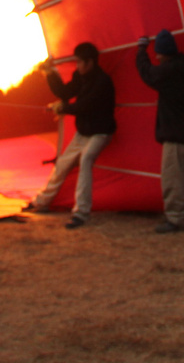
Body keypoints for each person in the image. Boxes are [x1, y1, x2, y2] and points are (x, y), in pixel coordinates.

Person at [25, 42, 116, 229]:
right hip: (84, 132)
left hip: (100, 132)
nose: (77, 66)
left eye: (80, 62)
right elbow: (65, 92)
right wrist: (50, 73)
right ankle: (41, 202)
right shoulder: (80, 76)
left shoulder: (102, 82)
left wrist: (63, 107)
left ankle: (81, 213)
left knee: (86, 160)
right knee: (63, 164)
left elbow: (85, 106)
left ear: (90, 62)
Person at [135, 29, 184, 233]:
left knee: (172, 179)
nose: (157, 57)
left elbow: (147, 73)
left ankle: (175, 218)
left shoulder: (170, 71)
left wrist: (141, 49)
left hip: (175, 135)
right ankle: (183, 213)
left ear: (164, 53)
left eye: (158, 53)